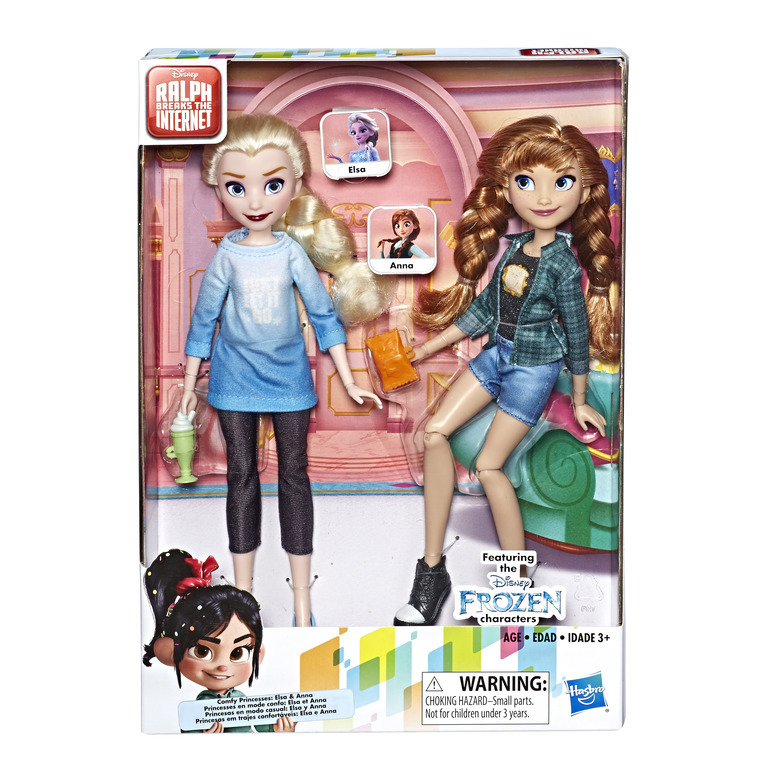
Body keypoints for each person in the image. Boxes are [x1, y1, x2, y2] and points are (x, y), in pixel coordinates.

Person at [393, 115, 620, 626]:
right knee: (433, 434)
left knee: (491, 466)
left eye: (561, 182)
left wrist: (579, 398)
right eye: (526, 181)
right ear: (507, 188)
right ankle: (431, 570)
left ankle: (517, 584)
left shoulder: (564, 264)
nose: (543, 196)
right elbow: (484, 311)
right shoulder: (513, 248)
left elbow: (577, 334)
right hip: (497, 357)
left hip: (533, 372)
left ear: (583, 190)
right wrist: (428, 350)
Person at [181, 114, 388, 626]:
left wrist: (349, 377)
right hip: (233, 379)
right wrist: (188, 385)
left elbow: (323, 314)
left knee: (295, 475)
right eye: (237, 187)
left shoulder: (292, 252)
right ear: (219, 189)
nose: (254, 201)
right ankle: (242, 597)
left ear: (294, 185)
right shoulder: (227, 257)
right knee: (242, 476)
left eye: (271, 185)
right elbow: (204, 319)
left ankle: (301, 600)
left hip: (290, 379)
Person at [143, 548, 295, 733]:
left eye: (237, 653)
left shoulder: (242, 699)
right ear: (170, 652)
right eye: (202, 652)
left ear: (258, 653)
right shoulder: (198, 710)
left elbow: (263, 724)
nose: (223, 667)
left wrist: (279, 730)